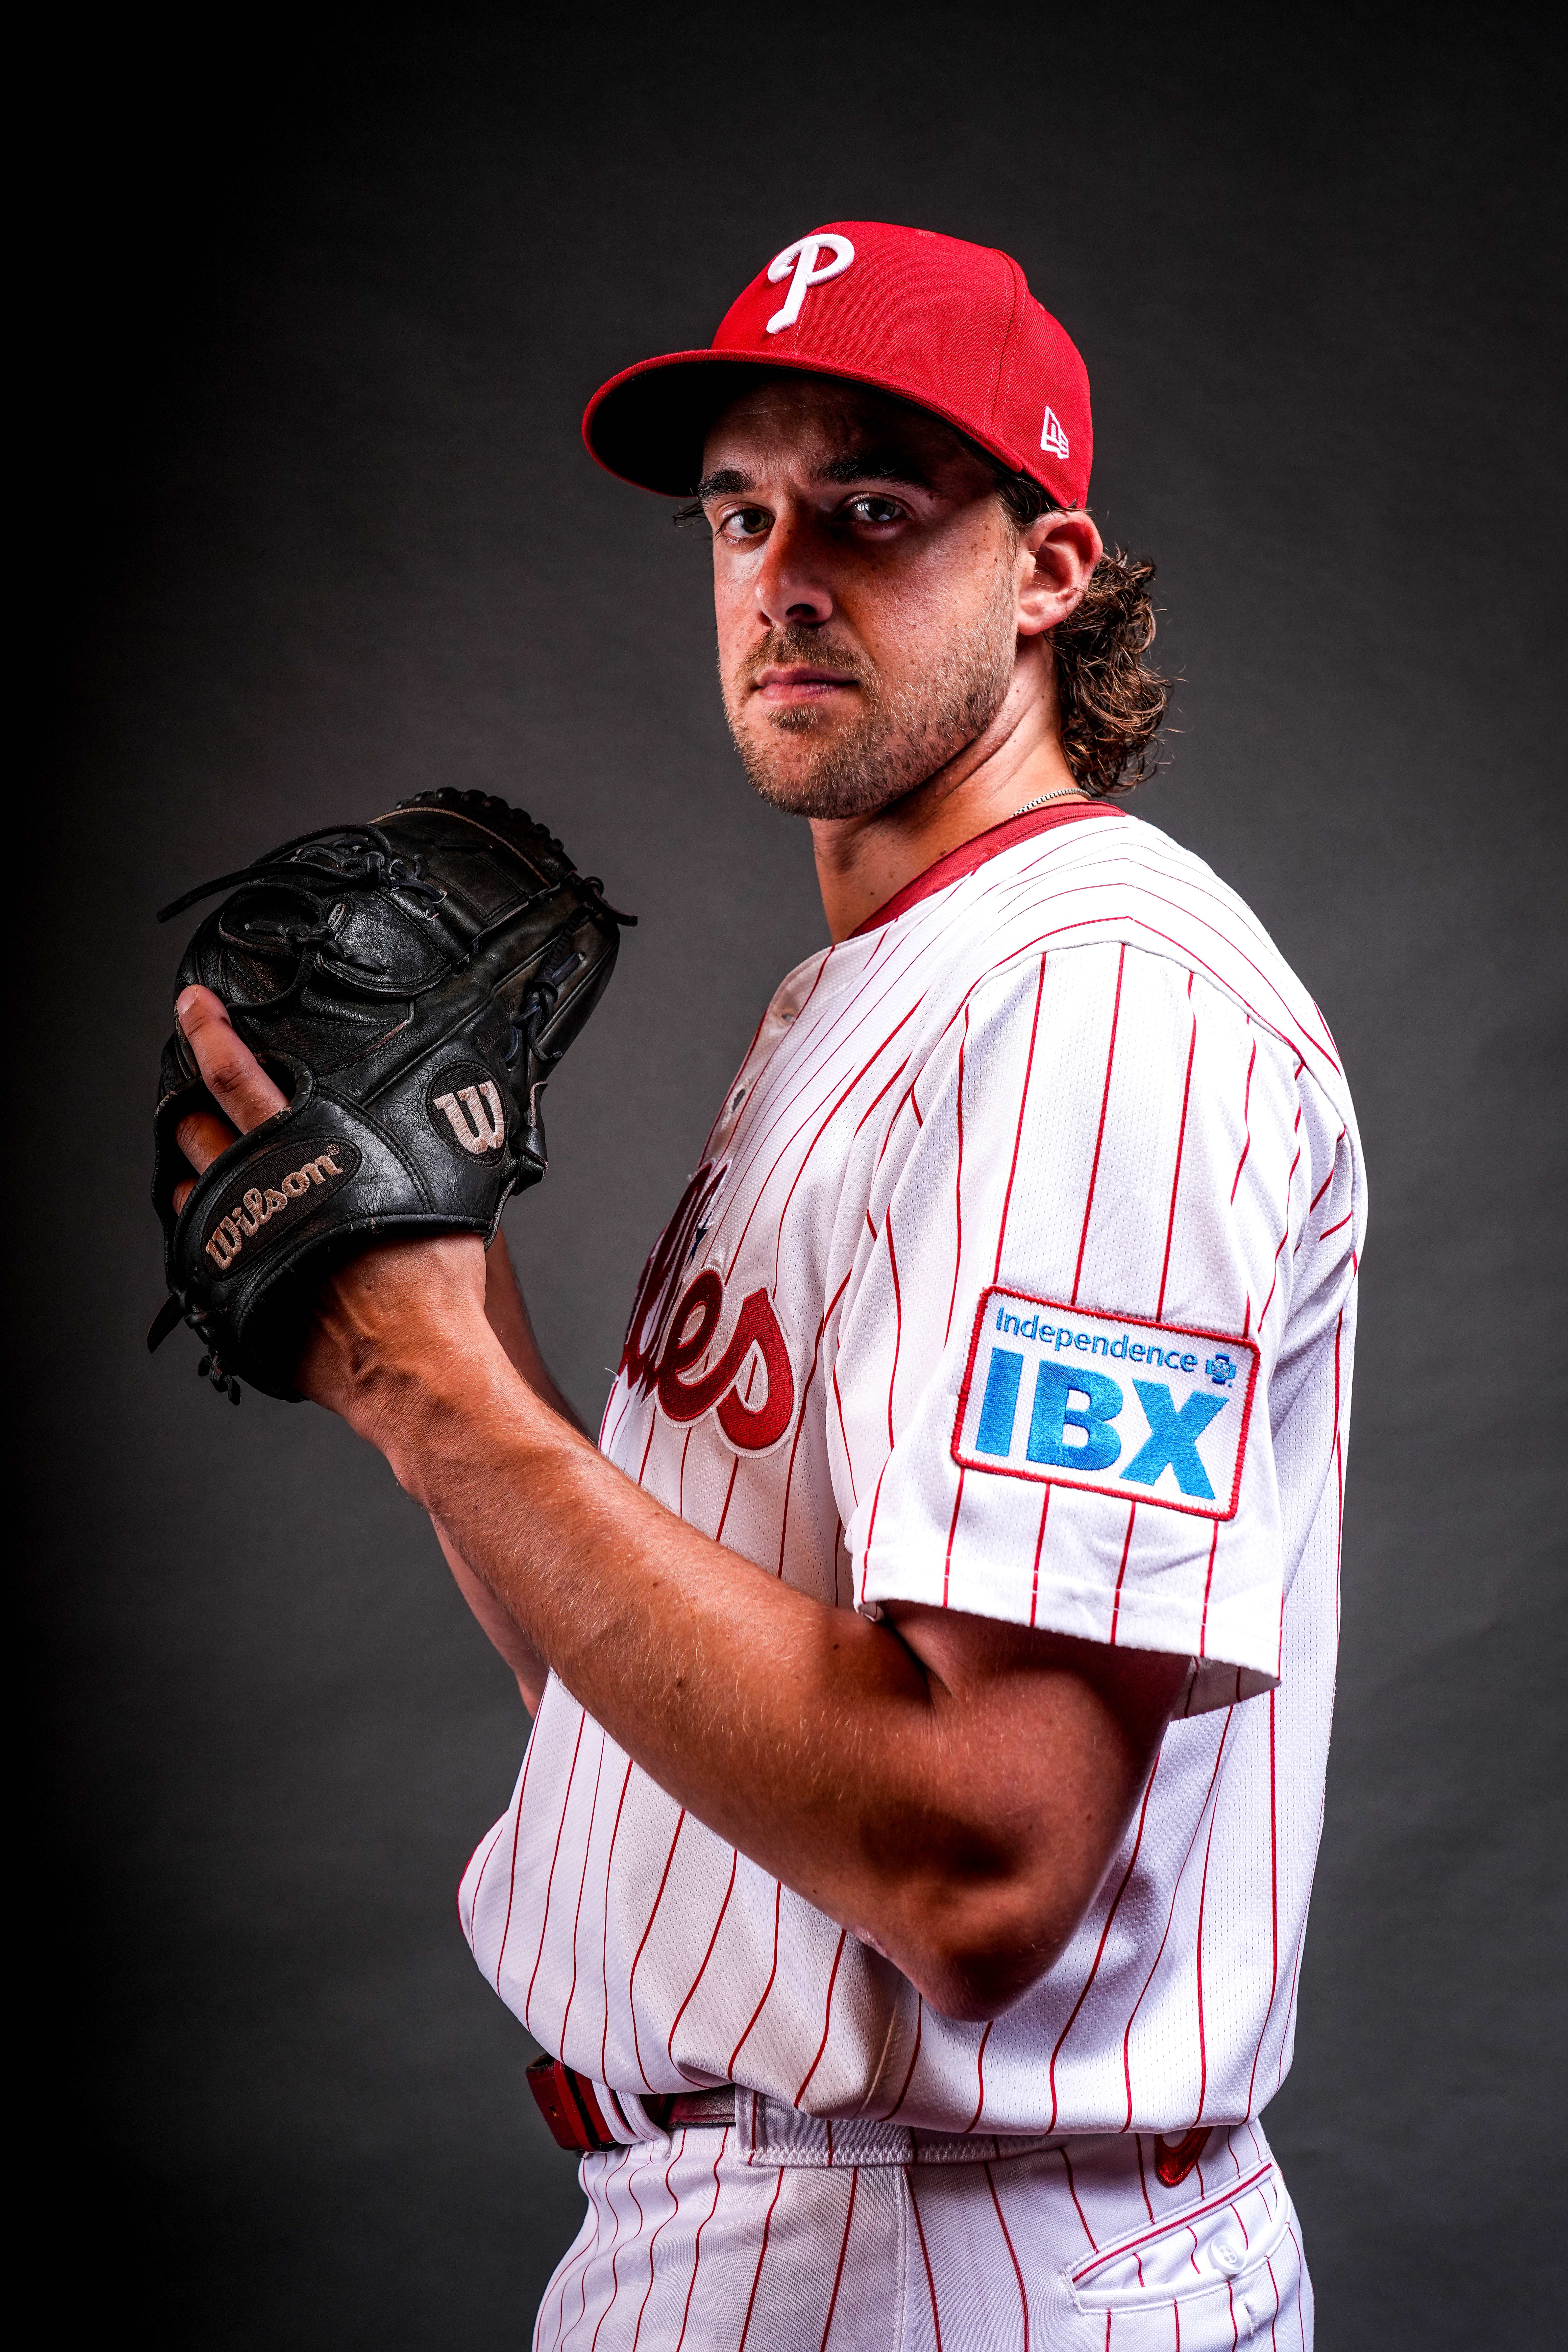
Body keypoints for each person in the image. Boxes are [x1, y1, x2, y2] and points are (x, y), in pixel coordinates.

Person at [171, 222, 1363, 2347]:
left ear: (1049, 570)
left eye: (873, 508)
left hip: (953, 2266)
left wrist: (454, 1397)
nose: (783, 570)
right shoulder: (877, 996)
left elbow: (979, 1864)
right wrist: (421, 1319)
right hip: (787, 2237)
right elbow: (667, 1707)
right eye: (742, 509)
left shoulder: (1099, 1011)